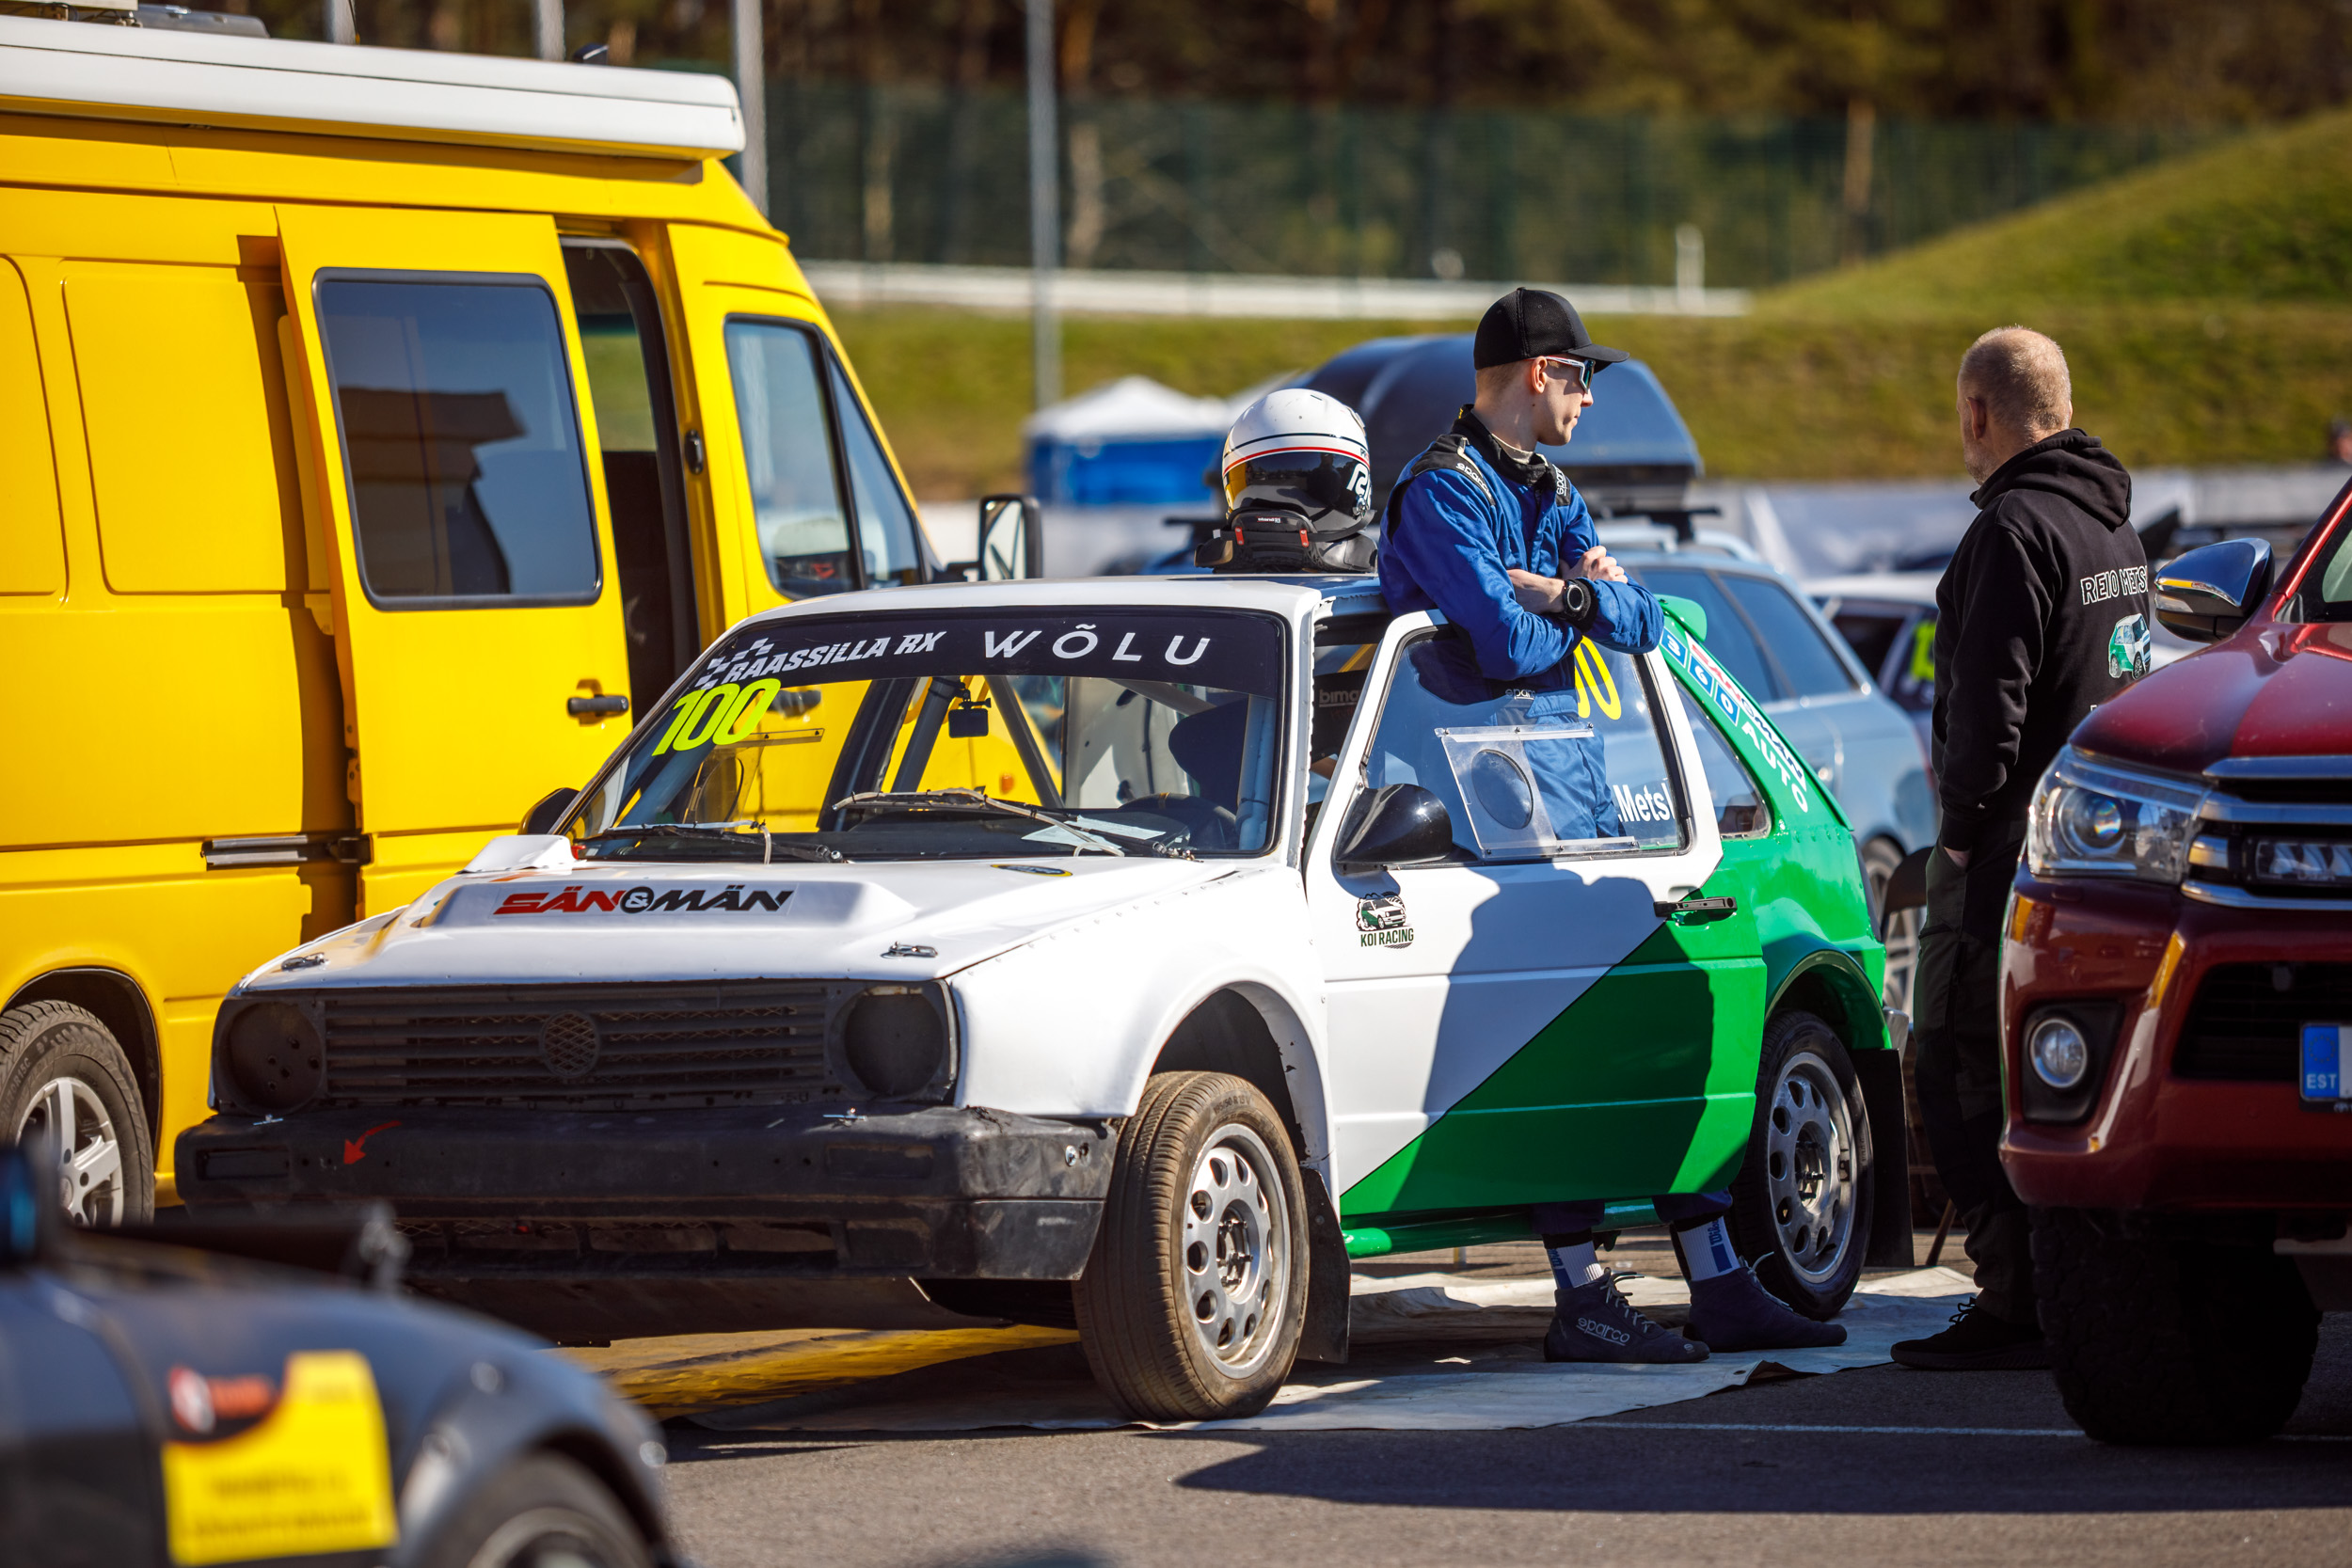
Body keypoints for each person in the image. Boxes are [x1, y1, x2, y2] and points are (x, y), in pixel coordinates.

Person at [1379, 287, 1847, 1364]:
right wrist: (1568, 603)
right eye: (1581, 376)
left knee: (1643, 1041)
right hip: (1480, 826)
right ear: (1539, 373)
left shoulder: (1550, 485)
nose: (1590, 397)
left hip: (1575, 801)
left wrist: (1561, 595)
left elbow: (1641, 620)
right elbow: (1501, 646)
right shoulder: (1439, 491)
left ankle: (1718, 1283)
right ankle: (1583, 1293)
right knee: (1565, 1060)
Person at [1892, 326, 2151, 1372]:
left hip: (2003, 854)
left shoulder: (2011, 530)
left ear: (1978, 412)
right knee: (2061, 1070)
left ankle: (2014, 1296)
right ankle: (2068, 1283)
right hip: (2100, 860)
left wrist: (1956, 840)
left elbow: (1985, 715)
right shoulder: (2115, 530)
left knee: (1954, 1059)